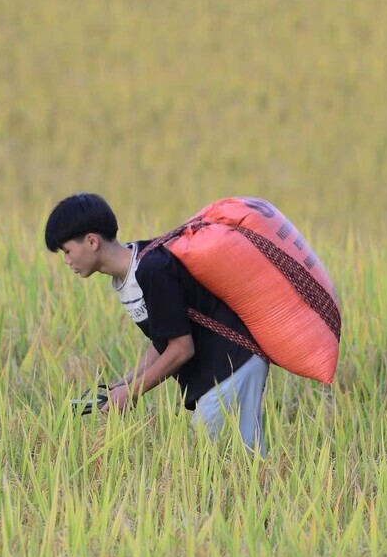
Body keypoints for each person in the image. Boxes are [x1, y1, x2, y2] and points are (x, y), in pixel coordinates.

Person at [45, 193, 270, 453]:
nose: (67, 260)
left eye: (67, 250)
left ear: (92, 241)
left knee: (224, 468)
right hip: (219, 373)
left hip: (232, 366)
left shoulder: (151, 269)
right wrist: (125, 383)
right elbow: (165, 338)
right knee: (224, 465)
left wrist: (132, 393)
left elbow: (181, 348)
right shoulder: (128, 278)